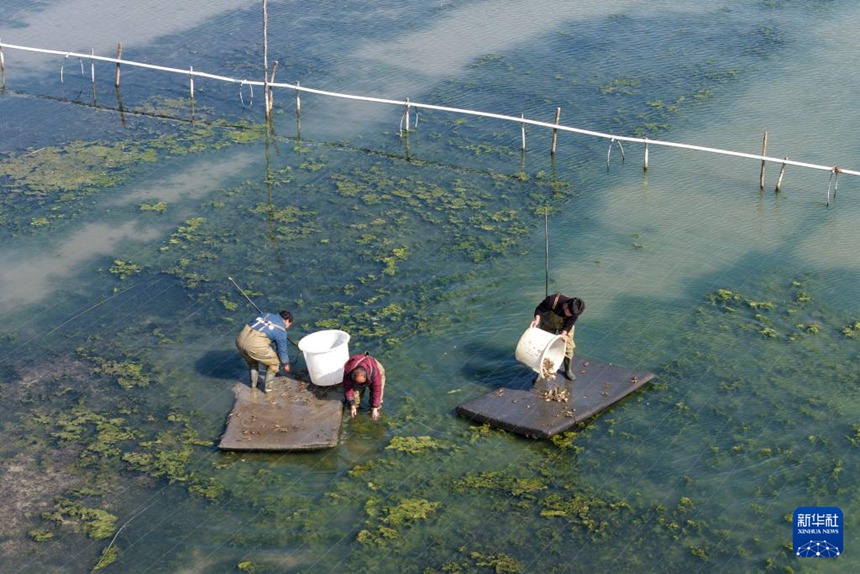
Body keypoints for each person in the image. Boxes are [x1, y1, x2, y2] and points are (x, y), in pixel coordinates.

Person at [530, 293, 585, 380]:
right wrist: (537, 320)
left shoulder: (575, 311)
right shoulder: (551, 300)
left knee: (568, 347)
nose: (570, 315)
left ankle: (568, 370)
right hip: (548, 321)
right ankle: (540, 370)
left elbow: (570, 322)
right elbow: (539, 309)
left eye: (572, 314)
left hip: (565, 325)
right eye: (569, 313)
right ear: (565, 306)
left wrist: (564, 333)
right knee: (544, 346)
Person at [236, 310, 293, 392]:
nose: (288, 326)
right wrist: (285, 364)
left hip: (240, 340)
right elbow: (282, 350)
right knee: (274, 363)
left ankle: (253, 386)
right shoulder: (281, 331)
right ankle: (268, 390)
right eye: (289, 324)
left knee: (252, 362)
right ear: (287, 321)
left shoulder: (265, 314)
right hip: (254, 345)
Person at [342, 352, 386, 420]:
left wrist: (375, 408)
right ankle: (355, 410)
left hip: (376, 371)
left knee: (376, 402)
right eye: (358, 383)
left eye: (362, 383)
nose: (360, 385)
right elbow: (347, 387)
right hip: (358, 372)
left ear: (366, 378)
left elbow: (377, 390)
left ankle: (374, 411)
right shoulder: (349, 371)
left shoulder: (375, 374)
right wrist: (352, 404)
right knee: (355, 400)